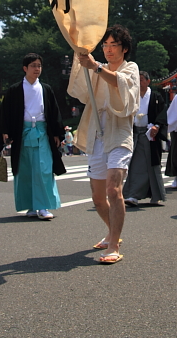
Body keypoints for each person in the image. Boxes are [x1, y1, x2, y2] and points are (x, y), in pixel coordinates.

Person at [68, 25, 140, 264]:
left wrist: (96, 67)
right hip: (97, 134)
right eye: (105, 45)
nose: (108, 50)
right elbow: (82, 88)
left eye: (114, 45)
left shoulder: (130, 69)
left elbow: (123, 87)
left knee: (113, 189)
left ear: (124, 48)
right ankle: (113, 232)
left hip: (119, 134)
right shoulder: (98, 67)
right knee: (98, 197)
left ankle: (113, 245)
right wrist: (81, 56)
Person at [0, 53, 66, 220]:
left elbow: (54, 112)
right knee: (25, 170)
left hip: (42, 132)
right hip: (22, 133)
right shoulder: (14, 89)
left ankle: (43, 206)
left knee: (43, 169)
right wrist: (5, 131)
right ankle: (30, 207)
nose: (37, 69)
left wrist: (56, 132)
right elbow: (5, 112)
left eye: (39, 65)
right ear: (25, 68)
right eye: (33, 65)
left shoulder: (46, 89)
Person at [123, 71, 168, 206]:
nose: (139, 82)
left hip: (151, 135)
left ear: (148, 81)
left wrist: (157, 126)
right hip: (136, 134)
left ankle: (156, 195)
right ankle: (133, 195)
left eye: (141, 79)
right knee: (136, 165)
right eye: (137, 80)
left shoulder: (155, 96)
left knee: (153, 165)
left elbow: (163, 113)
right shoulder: (132, 96)